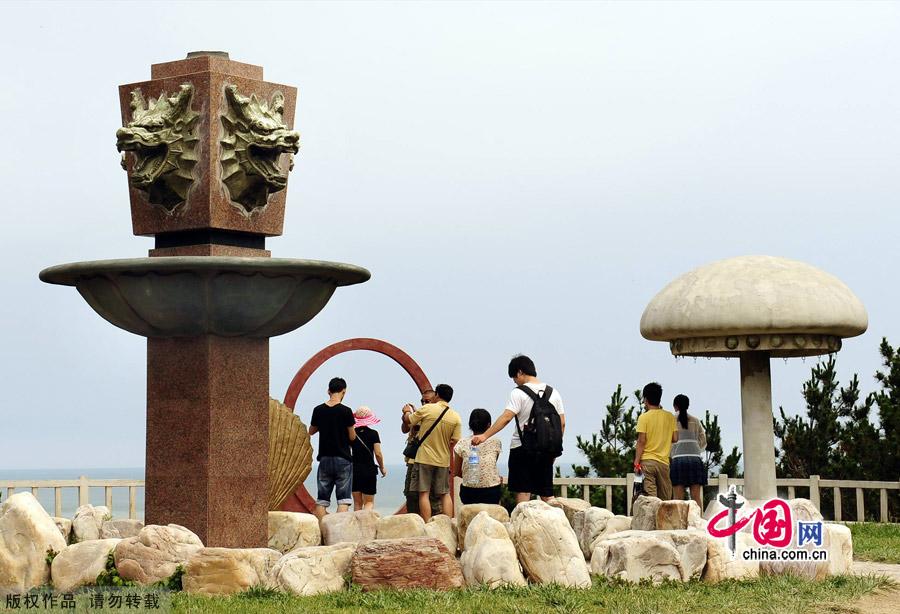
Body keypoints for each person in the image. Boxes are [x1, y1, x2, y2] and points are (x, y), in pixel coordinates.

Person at [471, 355, 565, 504]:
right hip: (546, 448)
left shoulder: (518, 392)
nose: (514, 381)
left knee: (523, 491)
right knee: (547, 493)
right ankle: (557, 523)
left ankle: (522, 525)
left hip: (522, 448)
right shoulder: (554, 393)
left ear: (520, 372)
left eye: (514, 377)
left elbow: (507, 417)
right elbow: (562, 423)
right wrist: (553, 449)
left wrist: (484, 436)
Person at [402, 383, 461, 522]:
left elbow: (408, 420)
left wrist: (406, 411)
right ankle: (447, 524)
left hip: (424, 458)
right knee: (444, 494)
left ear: (437, 395)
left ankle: (428, 524)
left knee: (424, 493)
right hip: (443, 460)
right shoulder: (455, 417)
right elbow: (455, 441)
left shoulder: (428, 409)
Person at [308, 377, 356, 518]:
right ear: (344, 391)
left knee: (322, 500)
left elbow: (311, 430)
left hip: (325, 458)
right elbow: (352, 436)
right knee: (343, 500)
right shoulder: (346, 411)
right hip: (343, 458)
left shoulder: (318, 410)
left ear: (328, 391)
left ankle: (322, 532)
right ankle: (337, 532)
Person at [400, 389, 442, 515]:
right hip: (415, 460)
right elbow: (405, 428)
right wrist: (408, 416)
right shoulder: (421, 414)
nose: (424, 404)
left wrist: (408, 414)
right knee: (411, 494)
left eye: (427, 401)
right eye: (422, 401)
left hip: (427, 460)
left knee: (431, 495)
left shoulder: (433, 415)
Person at [633, 382, 677, 500]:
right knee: (665, 500)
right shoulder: (670, 417)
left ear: (646, 399)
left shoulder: (644, 417)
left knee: (650, 500)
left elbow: (641, 441)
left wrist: (636, 462)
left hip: (647, 462)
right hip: (664, 463)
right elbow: (675, 438)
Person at [452, 408, 502, 505]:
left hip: (469, 492)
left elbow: (457, 471)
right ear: (489, 425)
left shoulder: (461, 443)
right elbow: (492, 465)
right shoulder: (496, 442)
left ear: (470, 425)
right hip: (491, 492)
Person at [669, 394, 707, 509]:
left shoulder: (671, 420)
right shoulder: (695, 421)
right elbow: (703, 440)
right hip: (695, 460)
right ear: (688, 405)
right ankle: (698, 521)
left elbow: (668, 440)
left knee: (678, 499)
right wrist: (696, 449)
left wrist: (673, 452)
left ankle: (678, 524)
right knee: (696, 498)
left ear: (675, 406)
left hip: (678, 460)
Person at [351, 406, 387, 511]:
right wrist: (382, 467)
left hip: (354, 469)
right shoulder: (373, 434)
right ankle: (367, 526)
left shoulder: (351, 434)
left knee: (357, 504)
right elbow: (378, 453)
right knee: (369, 502)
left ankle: (357, 527)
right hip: (369, 470)